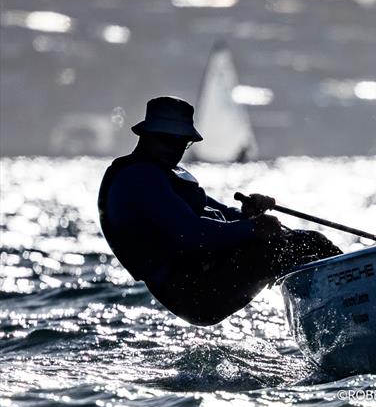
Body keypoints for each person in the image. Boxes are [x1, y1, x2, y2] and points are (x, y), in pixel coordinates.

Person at [98, 96, 342, 326]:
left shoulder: (162, 174)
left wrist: (248, 215)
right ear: (147, 135)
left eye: (182, 142)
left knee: (310, 241)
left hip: (206, 275)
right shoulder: (139, 178)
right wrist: (253, 227)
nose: (175, 149)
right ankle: (347, 306)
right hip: (194, 292)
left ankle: (338, 307)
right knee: (293, 248)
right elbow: (191, 234)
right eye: (168, 141)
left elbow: (221, 214)